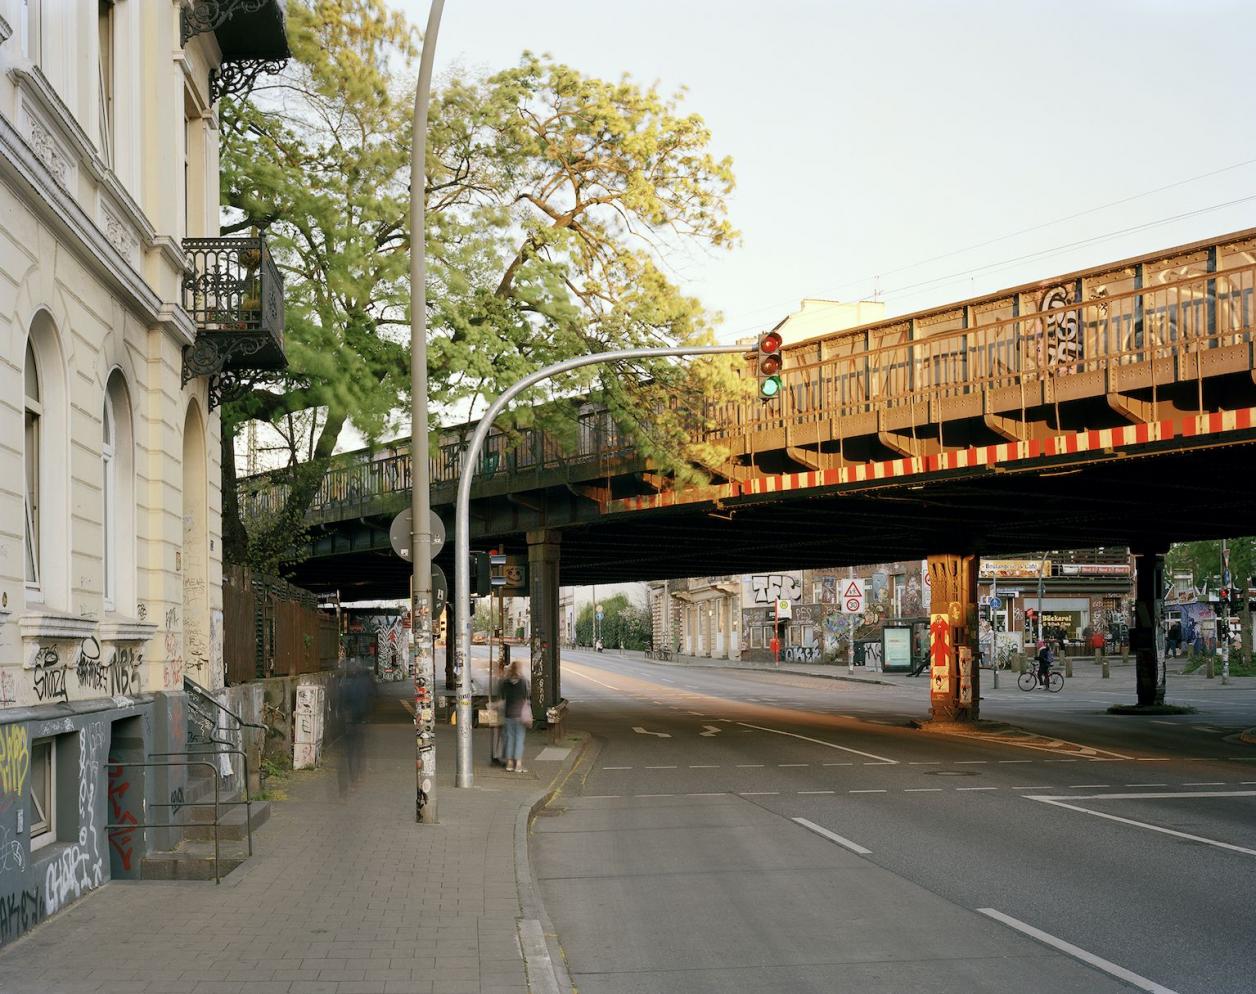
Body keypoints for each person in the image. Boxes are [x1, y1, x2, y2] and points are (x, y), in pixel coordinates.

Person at [498, 660, 530, 773]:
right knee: (519, 739)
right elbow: (526, 696)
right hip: (520, 714)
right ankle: (518, 765)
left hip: (508, 714)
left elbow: (502, 697)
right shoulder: (523, 682)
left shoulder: (505, 682)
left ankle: (509, 763)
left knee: (509, 738)